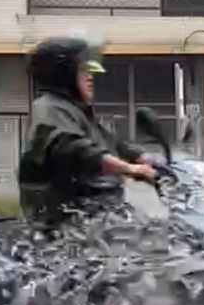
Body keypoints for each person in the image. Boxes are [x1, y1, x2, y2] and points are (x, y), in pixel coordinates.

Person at [17, 36, 157, 230]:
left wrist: (142, 157)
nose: (90, 76)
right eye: (82, 70)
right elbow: (78, 150)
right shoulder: (50, 109)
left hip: (96, 220)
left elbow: (111, 143)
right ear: (64, 75)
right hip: (62, 227)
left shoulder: (76, 111)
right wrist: (130, 169)